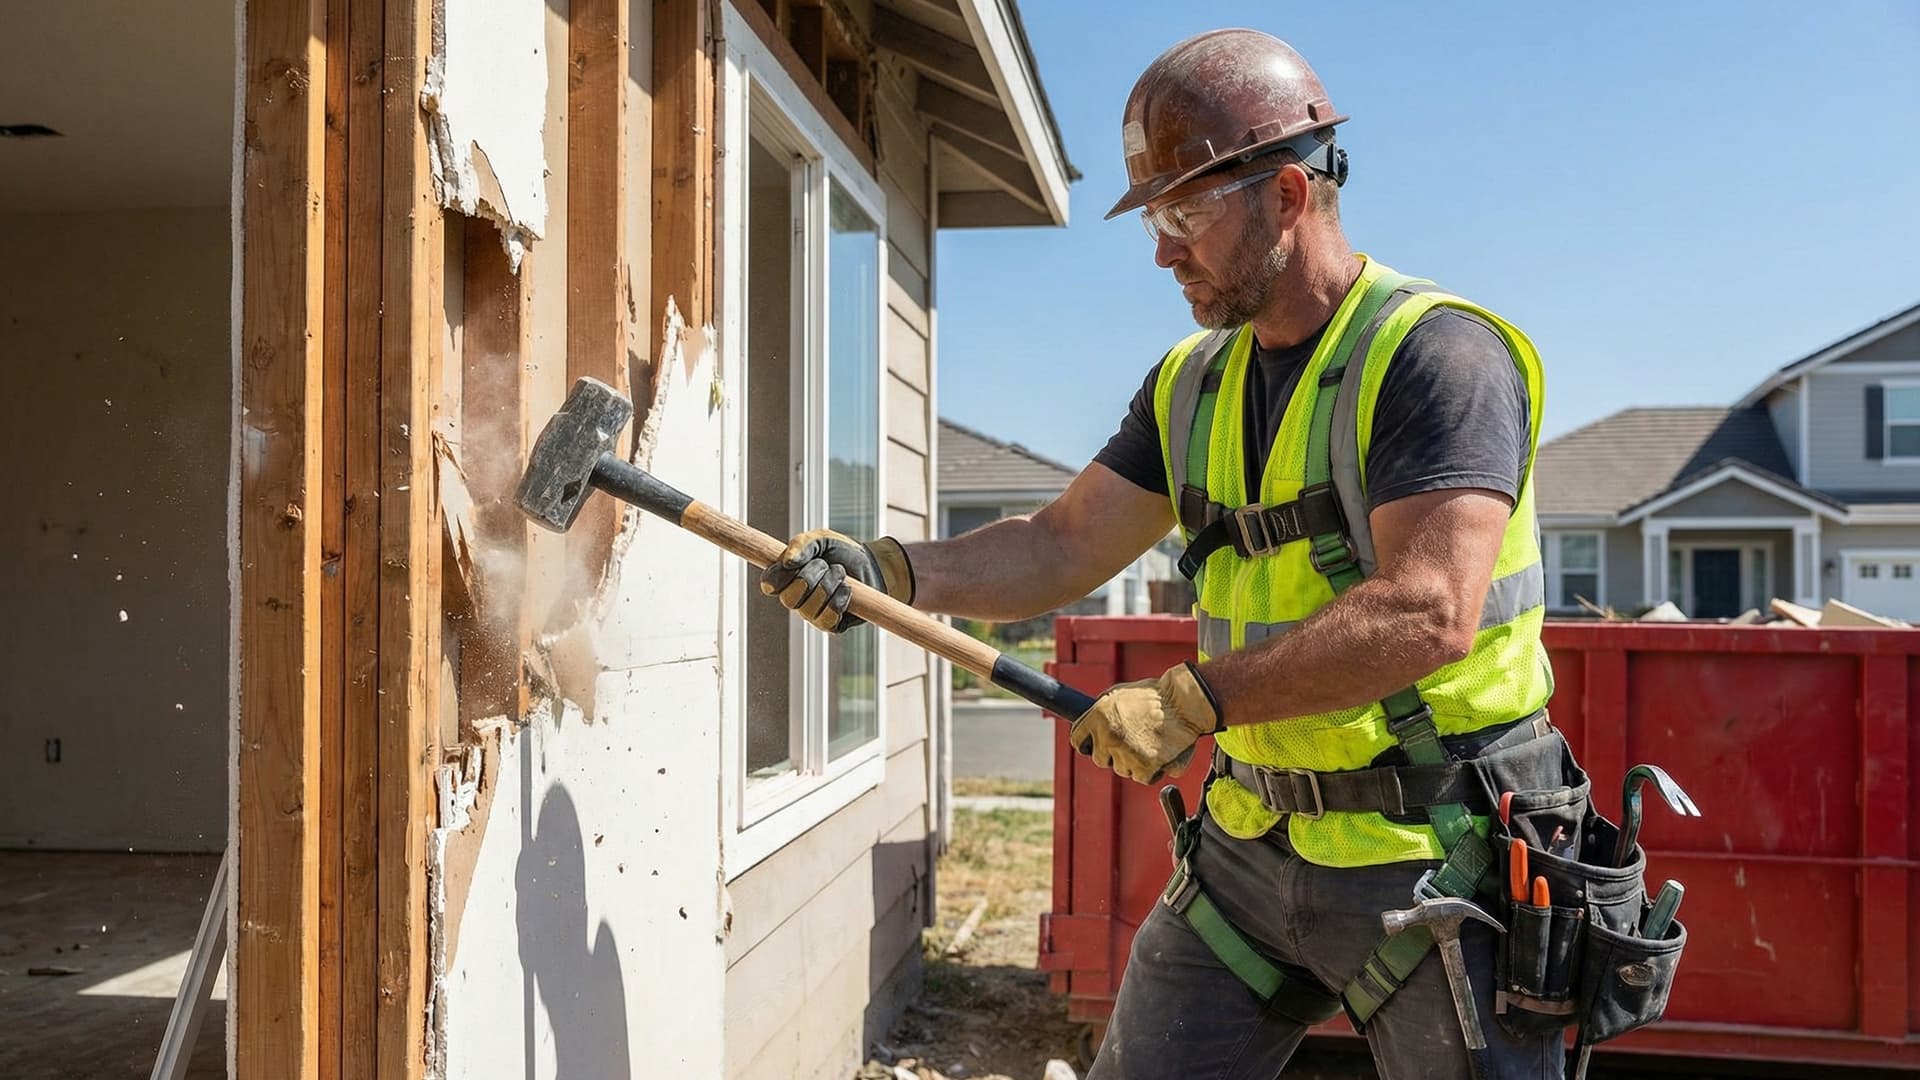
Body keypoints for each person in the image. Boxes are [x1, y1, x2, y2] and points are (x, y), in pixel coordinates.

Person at [762, 28, 1579, 1080]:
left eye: (1186, 215)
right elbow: (1060, 544)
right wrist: (892, 573)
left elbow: (1428, 611)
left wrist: (1191, 701)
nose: (1162, 251)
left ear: (1288, 195)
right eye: (1156, 218)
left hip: (1434, 847)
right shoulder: (1193, 385)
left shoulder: (1438, 357)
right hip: (1254, 840)